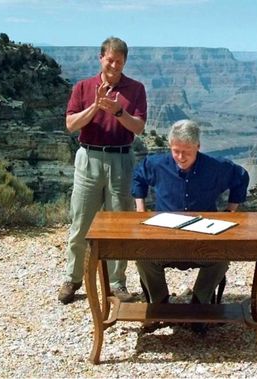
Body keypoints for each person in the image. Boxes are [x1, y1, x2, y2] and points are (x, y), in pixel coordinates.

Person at [131, 119, 249, 333]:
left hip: (203, 244)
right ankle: (160, 305)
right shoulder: (157, 164)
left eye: (187, 151)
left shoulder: (215, 167)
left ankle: (199, 305)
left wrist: (231, 212)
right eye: (176, 151)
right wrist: (140, 209)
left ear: (198, 147)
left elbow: (241, 177)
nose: (181, 157)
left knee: (220, 260)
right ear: (170, 147)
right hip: (165, 242)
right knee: (143, 258)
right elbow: (139, 176)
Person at [59, 37, 148, 305]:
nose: (114, 65)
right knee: (81, 221)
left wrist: (119, 111)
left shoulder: (135, 89)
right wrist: (96, 106)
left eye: (119, 61)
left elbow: (139, 128)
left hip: (120, 160)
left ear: (125, 62)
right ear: (101, 58)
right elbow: (71, 124)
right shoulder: (84, 87)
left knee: (119, 224)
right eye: (110, 59)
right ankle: (73, 278)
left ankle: (117, 283)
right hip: (89, 158)